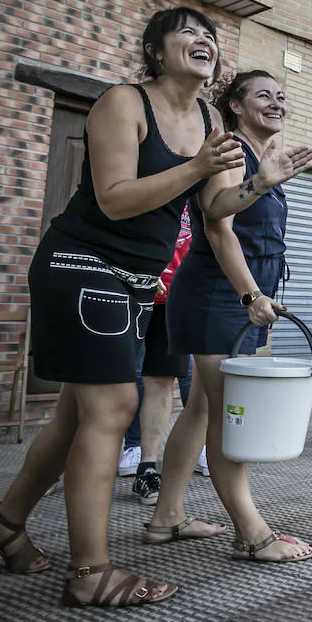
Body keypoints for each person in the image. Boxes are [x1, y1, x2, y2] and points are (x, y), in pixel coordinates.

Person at [0, 8, 311, 607]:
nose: (203, 39)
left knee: (76, 417)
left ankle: (6, 522)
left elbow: (215, 209)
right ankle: (91, 575)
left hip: (134, 280)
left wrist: (262, 181)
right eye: (187, 31)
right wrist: (196, 166)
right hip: (81, 265)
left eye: (209, 34)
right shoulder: (123, 104)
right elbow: (113, 200)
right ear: (156, 51)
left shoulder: (211, 119)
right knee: (115, 405)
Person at [151, 69, 312, 563]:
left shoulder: (261, 158)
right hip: (217, 297)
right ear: (238, 107)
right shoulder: (228, 148)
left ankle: (167, 517)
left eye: (282, 96)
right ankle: (251, 532)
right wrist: (250, 296)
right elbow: (217, 223)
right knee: (229, 413)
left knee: (203, 407)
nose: (276, 103)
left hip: (235, 299)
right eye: (263, 95)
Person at [118, 205, 199, 505]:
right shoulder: (146, 170)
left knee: (161, 379)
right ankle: (55, 465)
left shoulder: (201, 185)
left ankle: (147, 470)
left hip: (174, 297)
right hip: (129, 289)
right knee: (100, 381)